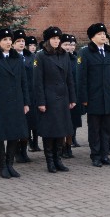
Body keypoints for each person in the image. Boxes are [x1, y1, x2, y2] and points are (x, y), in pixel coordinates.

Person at [0, 28, 30, 178]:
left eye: (10, 39)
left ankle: (10, 165)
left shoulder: (17, 58)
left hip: (16, 101)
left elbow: (24, 82)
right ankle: (3, 166)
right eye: (5, 39)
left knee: (14, 134)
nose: (8, 42)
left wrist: (26, 103)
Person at [77, 23, 110, 167]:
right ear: (92, 37)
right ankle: (95, 155)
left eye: (104, 34)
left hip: (109, 96)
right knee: (94, 128)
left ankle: (105, 155)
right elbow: (81, 77)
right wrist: (83, 98)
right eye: (99, 34)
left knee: (107, 127)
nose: (103, 36)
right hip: (93, 97)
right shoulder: (85, 53)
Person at [33, 26, 76, 173]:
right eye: (53, 38)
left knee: (61, 130)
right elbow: (37, 82)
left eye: (58, 38)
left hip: (63, 97)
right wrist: (41, 102)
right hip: (49, 98)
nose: (56, 41)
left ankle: (59, 160)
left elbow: (70, 78)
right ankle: (50, 161)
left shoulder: (64, 54)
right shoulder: (41, 56)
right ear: (47, 40)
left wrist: (72, 98)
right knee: (50, 131)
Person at [11, 29, 34, 162]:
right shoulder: (11, 56)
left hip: (29, 95)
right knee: (17, 125)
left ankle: (24, 150)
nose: (21, 43)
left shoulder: (31, 56)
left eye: (23, 41)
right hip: (16, 96)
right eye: (18, 41)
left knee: (28, 125)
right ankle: (15, 151)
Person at [59, 33, 81, 158]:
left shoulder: (75, 59)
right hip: (61, 96)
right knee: (63, 123)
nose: (68, 47)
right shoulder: (57, 58)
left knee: (73, 122)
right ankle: (61, 147)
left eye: (70, 45)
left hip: (73, 95)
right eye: (65, 44)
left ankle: (69, 145)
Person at [25, 33, 43, 152]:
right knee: (27, 121)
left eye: (34, 45)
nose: (32, 47)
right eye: (30, 45)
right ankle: (29, 142)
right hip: (27, 92)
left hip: (35, 92)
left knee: (36, 120)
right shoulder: (24, 58)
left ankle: (35, 143)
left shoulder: (36, 57)